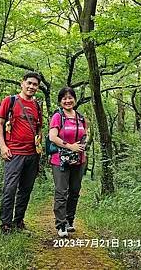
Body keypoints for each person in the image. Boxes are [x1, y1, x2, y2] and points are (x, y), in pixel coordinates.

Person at [0, 72, 43, 234]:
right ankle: (5, 224)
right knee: (10, 188)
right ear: (22, 83)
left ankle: (18, 222)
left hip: (32, 154)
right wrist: (3, 147)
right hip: (13, 152)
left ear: (38, 87)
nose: (31, 87)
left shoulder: (37, 105)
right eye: (29, 83)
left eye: (35, 85)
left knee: (26, 189)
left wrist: (39, 146)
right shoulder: (10, 101)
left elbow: (39, 128)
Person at [48, 87, 89, 238]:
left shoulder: (81, 117)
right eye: (64, 98)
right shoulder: (58, 116)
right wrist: (70, 146)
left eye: (70, 97)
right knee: (61, 191)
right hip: (60, 161)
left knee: (74, 191)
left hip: (79, 160)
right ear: (60, 101)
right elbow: (52, 136)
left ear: (75, 99)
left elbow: (86, 134)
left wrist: (84, 143)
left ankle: (69, 220)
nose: (67, 100)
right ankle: (60, 224)